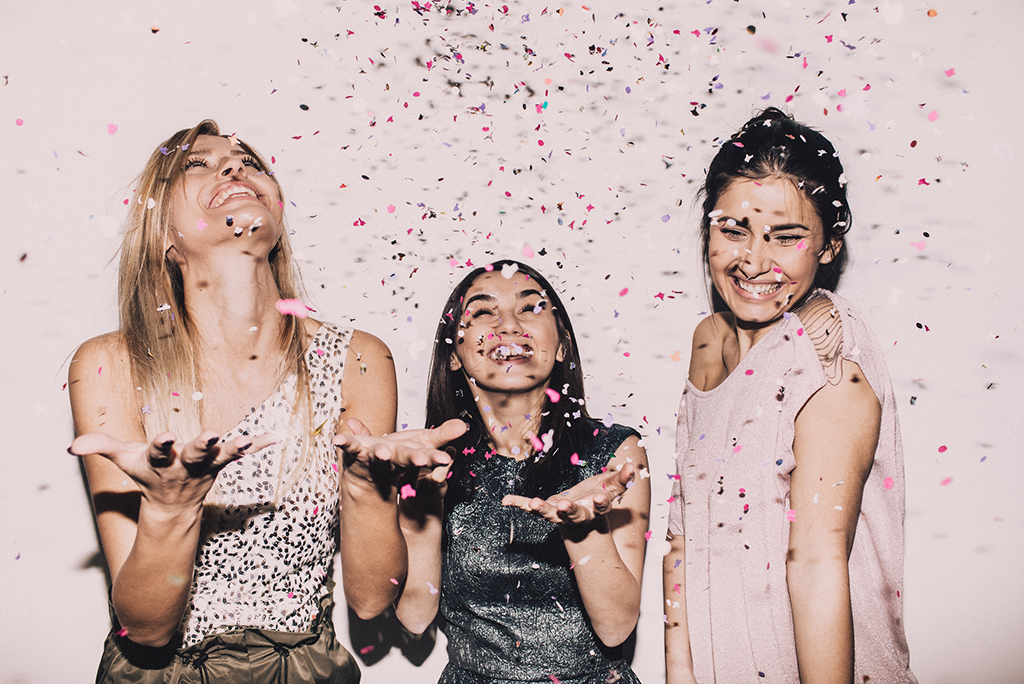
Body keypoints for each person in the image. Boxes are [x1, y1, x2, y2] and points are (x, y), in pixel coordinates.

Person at [68, 120, 455, 683]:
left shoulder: (358, 357)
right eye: (197, 164)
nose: (233, 166)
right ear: (163, 237)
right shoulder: (113, 364)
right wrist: (171, 512)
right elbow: (146, 629)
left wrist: (367, 486)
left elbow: (372, 601)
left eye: (247, 159)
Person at [662, 107, 916, 684]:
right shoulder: (709, 341)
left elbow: (817, 561)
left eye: (787, 237)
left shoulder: (824, 344)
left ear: (827, 248)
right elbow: (682, 539)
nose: (754, 261)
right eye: (734, 230)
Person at [386, 260, 650, 683]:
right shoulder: (430, 458)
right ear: (454, 354)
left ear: (562, 345)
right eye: (483, 311)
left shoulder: (615, 452)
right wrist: (423, 511)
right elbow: (415, 619)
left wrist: (584, 531)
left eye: (530, 308)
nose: (508, 324)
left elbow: (616, 628)